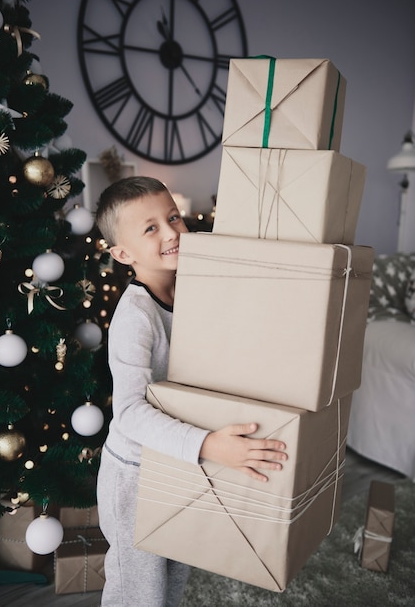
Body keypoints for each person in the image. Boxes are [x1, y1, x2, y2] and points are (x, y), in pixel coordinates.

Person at [95, 176, 288, 607]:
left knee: (175, 577)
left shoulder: (193, 291)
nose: (171, 233)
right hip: (133, 477)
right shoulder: (135, 317)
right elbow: (128, 412)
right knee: (139, 592)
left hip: (177, 465)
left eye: (173, 218)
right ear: (122, 254)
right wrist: (208, 445)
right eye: (151, 228)